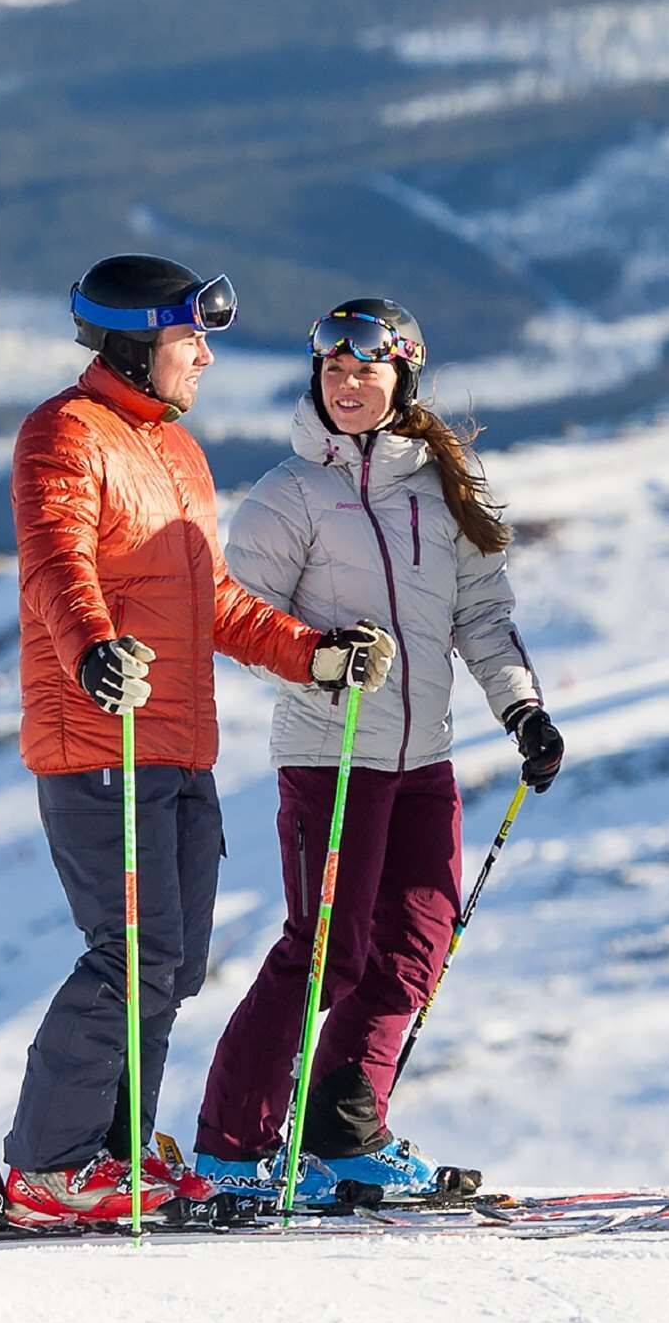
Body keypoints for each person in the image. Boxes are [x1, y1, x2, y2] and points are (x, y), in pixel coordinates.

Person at [0, 254, 394, 1225]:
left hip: (178, 744)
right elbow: (57, 562)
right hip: (101, 739)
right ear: (136, 342)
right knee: (128, 952)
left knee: (172, 963)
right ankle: (48, 1165)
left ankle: (116, 1153)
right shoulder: (64, 432)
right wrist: (92, 650)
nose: (205, 357)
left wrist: (315, 655)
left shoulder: (174, 452)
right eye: (190, 338)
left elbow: (209, 600)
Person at [189, 299, 566, 1203]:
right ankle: (232, 1148)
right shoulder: (289, 494)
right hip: (330, 752)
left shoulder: (441, 485)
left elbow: (482, 613)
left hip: (419, 758)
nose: (348, 385)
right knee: (325, 948)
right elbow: (237, 623)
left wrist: (522, 710)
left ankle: (344, 1132)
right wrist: (322, 662)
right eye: (332, 371)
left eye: (366, 370)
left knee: (415, 944)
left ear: (402, 378)